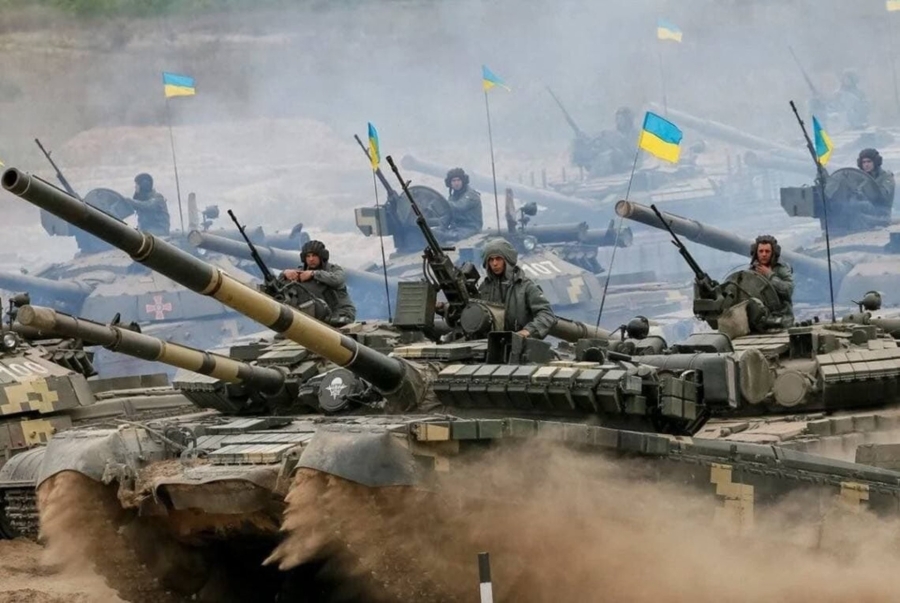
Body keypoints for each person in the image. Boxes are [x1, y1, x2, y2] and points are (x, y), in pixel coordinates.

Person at [478, 238, 557, 339]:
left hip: (521, 344)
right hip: (489, 344)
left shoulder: (525, 287)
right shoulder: (484, 288)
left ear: (507, 260)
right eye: (491, 259)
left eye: (498, 259)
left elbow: (547, 314)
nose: (494, 263)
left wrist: (528, 331)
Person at [281, 240, 356, 325]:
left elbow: (337, 280)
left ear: (322, 256)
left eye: (314, 255)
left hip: (341, 313)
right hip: (316, 315)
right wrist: (285, 274)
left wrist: (314, 274)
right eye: (308, 256)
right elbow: (281, 288)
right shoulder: (301, 272)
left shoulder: (334, 270)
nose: (311, 259)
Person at [750, 235, 794, 327]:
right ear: (756, 253)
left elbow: (788, 290)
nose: (764, 254)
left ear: (773, 253)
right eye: (761, 251)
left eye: (767, 251)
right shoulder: (752, 271)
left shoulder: (781, 269)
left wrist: (770, 275)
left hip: (782, 318)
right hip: (759, 321)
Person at [438, 168, 483, 240]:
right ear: (450, 183)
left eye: (458, 180)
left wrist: (441, 202)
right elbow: (447, 215)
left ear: (463, 181)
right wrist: (440, 227)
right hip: (456, 229)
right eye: (453, 181)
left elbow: (460, 207)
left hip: (471, 229)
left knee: (448, 237)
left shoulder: (471, 195)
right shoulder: (453, 197)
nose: (456, 183)